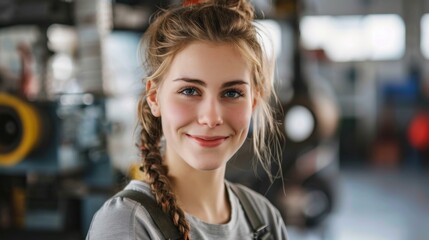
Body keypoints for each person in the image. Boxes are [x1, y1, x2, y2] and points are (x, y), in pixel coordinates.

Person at [86, 0, 288, 239]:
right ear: (154, 97)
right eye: (190, 91)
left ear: (253, 101)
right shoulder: (128, 223)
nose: (211, 118)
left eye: (232, 93)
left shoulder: (263, 218)